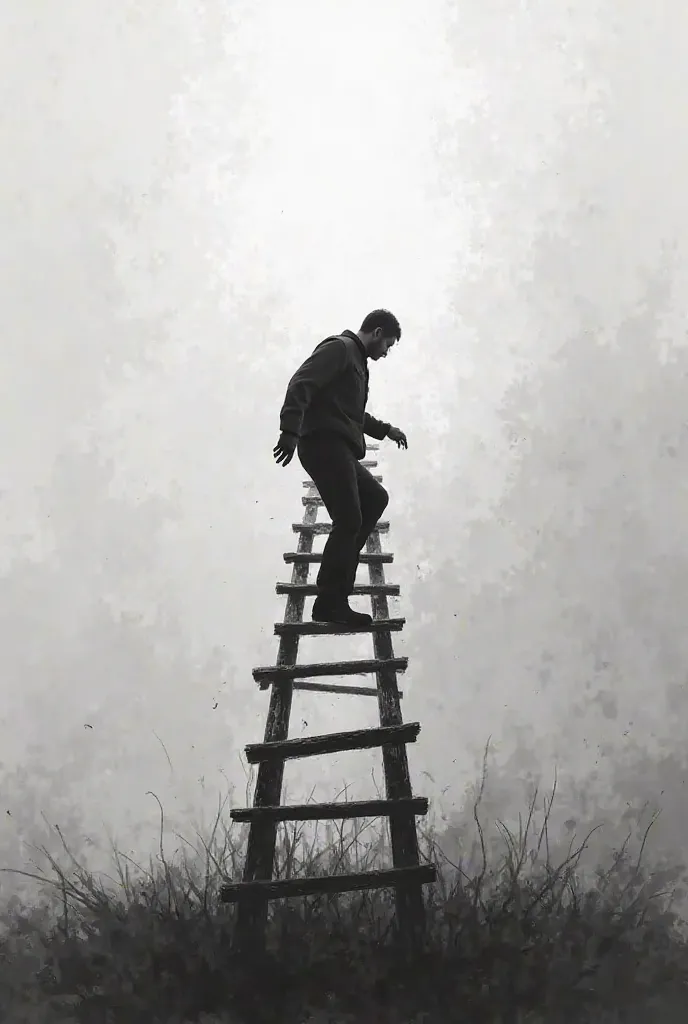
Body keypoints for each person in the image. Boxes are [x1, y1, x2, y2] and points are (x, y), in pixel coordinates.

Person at [273, 309, 408, 626]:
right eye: (387, 344)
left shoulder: (357, 363)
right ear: (376, 332)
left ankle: (337, 591)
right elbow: (300, 383)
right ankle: (329, 603)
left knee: (375, 498)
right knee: (349, 518)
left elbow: (351, 414)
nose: (386, 353)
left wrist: (385, 430)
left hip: (339, 447)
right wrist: (290, 431)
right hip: (323, 444)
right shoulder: (340, 348)